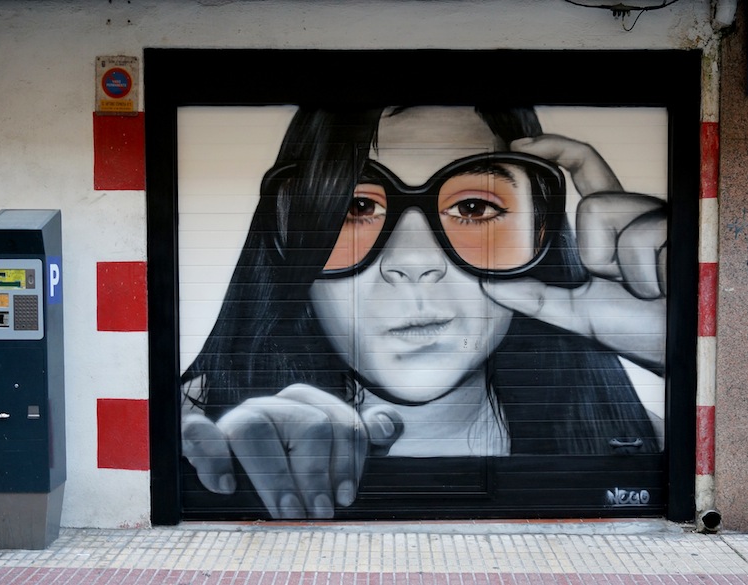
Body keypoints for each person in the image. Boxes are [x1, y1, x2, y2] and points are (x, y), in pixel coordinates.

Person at [180, 105, 667, 519]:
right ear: (290, 234)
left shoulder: (648, 446)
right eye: (355, 207)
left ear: (540, 236)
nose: (412, 261)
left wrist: (684, 339)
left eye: (474, 207)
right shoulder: (189, 426)